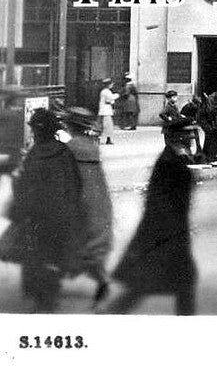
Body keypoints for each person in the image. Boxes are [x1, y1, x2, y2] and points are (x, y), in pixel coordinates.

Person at [105, 121, 198, 315]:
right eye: (186, 134)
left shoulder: (174, 158)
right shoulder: (170, 161)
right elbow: (162, 200)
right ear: (175, 137)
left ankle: (111, 313)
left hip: (167, 231)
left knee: (152, 283)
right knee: (173, 282)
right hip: (167, 232)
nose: (191, 138)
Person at [0, 109, 83, 312]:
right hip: (59, 214)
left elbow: (23, 186)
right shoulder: (64, 153)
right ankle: (48, 297)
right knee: (55, 254)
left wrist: (20, 208)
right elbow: (76, 184)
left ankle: (39, 296)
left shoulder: (34, 154)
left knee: (36, 255)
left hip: (36, 216)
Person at [60, 107, 114, 308]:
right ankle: (102, 281)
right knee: (92, 243)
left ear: (70, 126)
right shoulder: (92, 145)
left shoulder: (70, 147)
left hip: (78, 200)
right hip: (98, 200)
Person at [97, 78, 117, 145]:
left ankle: (107, 139)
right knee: (106, 126)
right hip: (105, 111)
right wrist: (118, 95)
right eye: (111, 84)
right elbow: (111, 98)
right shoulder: (106, 91)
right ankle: (104, 139)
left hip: (105, 110)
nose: (112, 85)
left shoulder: (105, 91)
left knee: (106, 126)